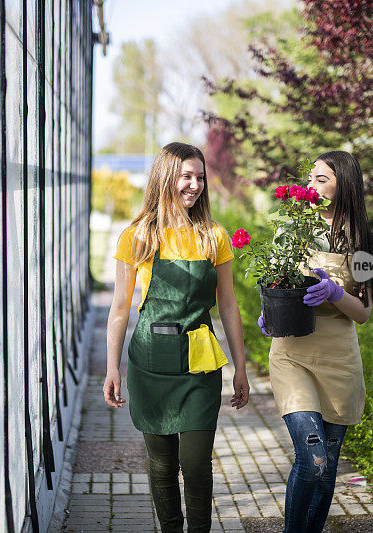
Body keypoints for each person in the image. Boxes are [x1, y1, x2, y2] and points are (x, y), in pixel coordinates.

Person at [103, 141, 250, 532]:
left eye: (200, 177)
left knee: (197, 463)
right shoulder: (138, 235)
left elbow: (229, 305)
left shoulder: (213, 236)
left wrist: (240, 367)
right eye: (186, 176)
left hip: (199, 363)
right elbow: (119, 308)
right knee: (162, 465)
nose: (194, 185)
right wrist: (111, 369)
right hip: (151, 365)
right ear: (166, 178)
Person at [258, 151, 373, 532]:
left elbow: (362, 312)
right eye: (310, 179)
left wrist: (333, 292)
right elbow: (274, 280)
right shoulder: (292, 231)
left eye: (321, 179)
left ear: (343, 185)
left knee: (328, 463)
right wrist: (269, 311)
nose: (311, 186)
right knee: (313, 457)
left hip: (339, 361)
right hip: (293, 354)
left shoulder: (367, 243)